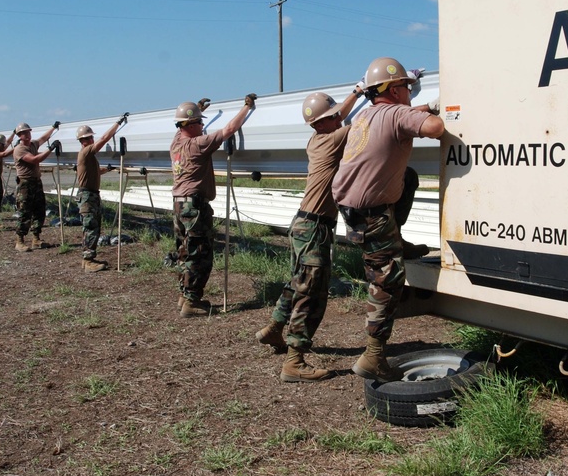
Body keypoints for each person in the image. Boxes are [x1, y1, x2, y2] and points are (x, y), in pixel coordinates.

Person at [331, 57, 444, 382]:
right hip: (372, 214)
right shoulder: (396, 114)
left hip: (353, 209)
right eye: (406, 88)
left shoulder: (367, 115)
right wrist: (435, 113)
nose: (409, 93)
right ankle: (374, 356)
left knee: (407, 176)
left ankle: (398, 239)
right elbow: (434, 128)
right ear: (395, 89)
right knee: (387, 280)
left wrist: (424, 106)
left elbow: (402, 115)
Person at [255, 88, 362, 382]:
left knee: (298, 282)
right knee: (311, 293)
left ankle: (275, 329)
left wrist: (357, 90)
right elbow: (369, 123)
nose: (338, 119)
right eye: (330, 117)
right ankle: (294, 361)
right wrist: (427, 107)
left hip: (304, 224)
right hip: (314, 227)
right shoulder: (332, 139)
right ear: (319, 123)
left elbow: (339, 112)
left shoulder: (317, 138)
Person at [171, 93, 256, 318]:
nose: (203, 125)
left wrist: (195, 109)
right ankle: (192, 301)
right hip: (194, 207)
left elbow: (185, 125)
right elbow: (228, 130)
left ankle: (185, 294)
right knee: (200, 254)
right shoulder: (199, 144)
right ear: (190, 124)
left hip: (179, 206)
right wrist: (246, 107)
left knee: (184, 251)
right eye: (200, 121)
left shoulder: (176, 142)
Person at [76, 114, 127, 272]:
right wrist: (117, 124)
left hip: (90, 195)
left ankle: (88, 258)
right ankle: (88, 260)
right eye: (88, 138)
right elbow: (104, 138)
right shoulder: (86, 152)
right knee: (91, 227)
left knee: (93, 227)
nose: (91, 140)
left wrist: (108, 169)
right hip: (87, 196)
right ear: (83, 141)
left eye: (91, 138)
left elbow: (96, 172)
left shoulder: (88, 157)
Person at [11, 121, 59, 252]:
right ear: (19, 136)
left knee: (39, 210)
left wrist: (53, 128)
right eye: (24, 133)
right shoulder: (19, 149)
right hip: (25, 184)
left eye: (28, 132)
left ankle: (36, 238)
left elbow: (43, 138)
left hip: (36, 182)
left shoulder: (32, 144)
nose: (27, 135)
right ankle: (19, 240)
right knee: (25, 212)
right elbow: (35, 159)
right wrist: (50, 148)